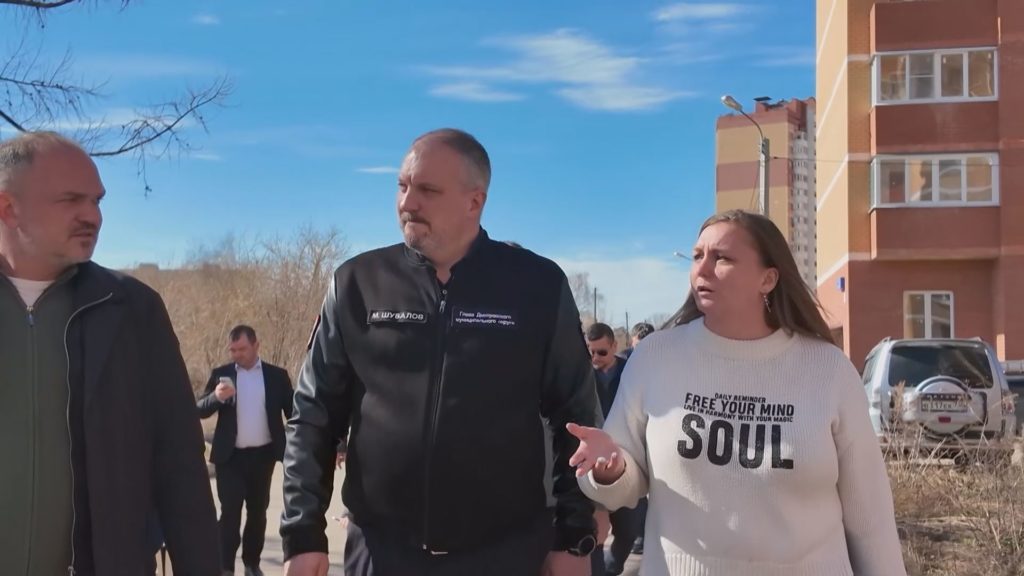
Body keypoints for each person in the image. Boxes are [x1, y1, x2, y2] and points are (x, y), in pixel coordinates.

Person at [281, 128, 599, 576]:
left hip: (505, 553)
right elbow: (314, 415)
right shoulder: (357, 282)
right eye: (402, 186)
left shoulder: (537, 286)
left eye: (428, 190)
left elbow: (577, 416)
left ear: (475, 202)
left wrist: (573, 537)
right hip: (380, 552)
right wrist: (302, 534)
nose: (407, 202)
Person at [568, 210, 906, 576]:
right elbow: (624, 486)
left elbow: (870, 517)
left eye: (722, 258)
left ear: (768, 278)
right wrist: (609, 470)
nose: (702, 269)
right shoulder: (655, 357)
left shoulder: (828, 370)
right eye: (697, 256)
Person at [0, 131, 220, 575]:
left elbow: (179, 464)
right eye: (71, 200)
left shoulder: (132, 310)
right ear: (8, 207)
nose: (93, 216)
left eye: (97, 201)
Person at [198, 325, 294, 576]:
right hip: (230, 458)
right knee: (229, 513)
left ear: (256, 346)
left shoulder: (276, 376)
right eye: (233, 350)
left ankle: (252, 564)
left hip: (263, 457)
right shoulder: (222, 375)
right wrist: (216, 397)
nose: (236, 354)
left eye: (241, 349)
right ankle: (225, 567)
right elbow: (200, 409)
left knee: (257, 513)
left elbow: (294, 413)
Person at [585, 323, 639, 576]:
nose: (595, 357)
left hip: (628, 461)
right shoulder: (583, 376)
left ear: (615, 346)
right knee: (595, 532)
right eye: (591, 352)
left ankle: (612, 567)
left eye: (602, 352)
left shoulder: (633, 373)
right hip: (591, 465)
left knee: (629, 529)